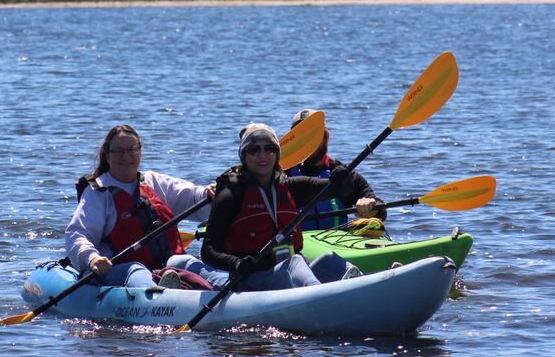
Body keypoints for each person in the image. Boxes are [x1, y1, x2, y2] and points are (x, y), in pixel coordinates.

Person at [200, 123, 377, 292]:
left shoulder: (291, 187)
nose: (263, 155)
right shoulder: (231, 194)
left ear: (277, 154)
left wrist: (342, 180)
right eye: (254, 150)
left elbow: (341, 190)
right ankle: (320, 298)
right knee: (295, 262)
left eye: (269, 149)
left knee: (330, 260)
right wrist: (235, 263)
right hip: (251, 280)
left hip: (285, 274)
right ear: (244, 156)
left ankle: (367, 287)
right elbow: (208, 251)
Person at [65, 124, 218, 288]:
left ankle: (234, 288)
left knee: (184, 261)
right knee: (137, 270)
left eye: (132, 149)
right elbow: (77, 234)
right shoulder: (98, 193)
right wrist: (92, 258)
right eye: (119, 151)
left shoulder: (152, 181)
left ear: (140, 151)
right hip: (120, 268)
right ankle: (158, 295)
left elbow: (192, 198)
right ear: (107, 156)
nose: (126, 156)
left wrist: (208, 194)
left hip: (166, 263)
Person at [287, 109, 387, 231]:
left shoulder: (345, 176)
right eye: (302, 135)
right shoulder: (280, 175)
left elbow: (381, 212)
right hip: (294, 246)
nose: (308, 141)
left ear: (326, 137)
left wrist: (370, 206)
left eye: (313, 134)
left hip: (334, 245)